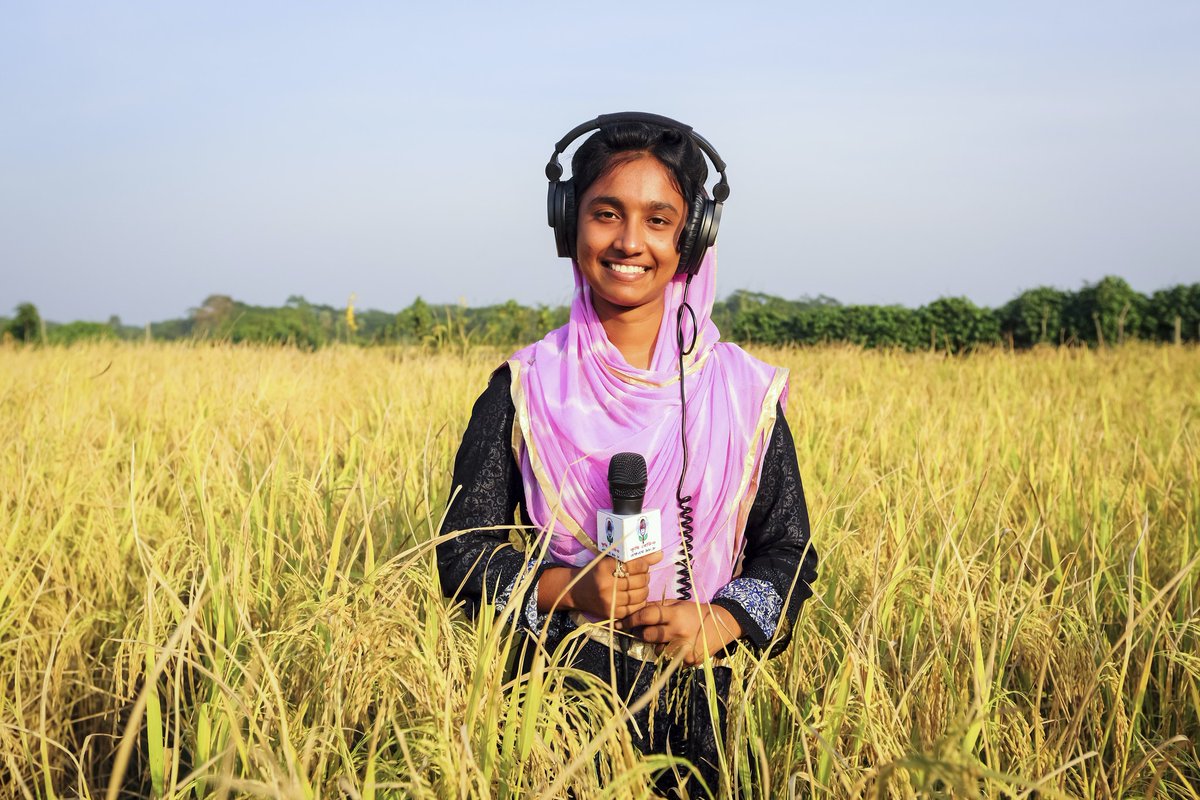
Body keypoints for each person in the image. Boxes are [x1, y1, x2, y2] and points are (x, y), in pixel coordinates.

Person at [436, 113, 817, 795]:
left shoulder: (745, 393)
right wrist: (570, 588)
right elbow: (462, 553)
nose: (629, 242)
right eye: (606, 214)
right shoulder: (523, 388)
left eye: (659, 220)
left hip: (707, 714)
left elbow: (788, 550)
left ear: (693, 236)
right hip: (553, 716)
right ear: (568, 224)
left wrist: (722, 619)